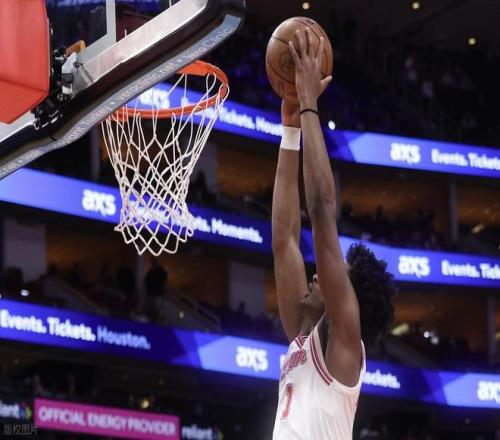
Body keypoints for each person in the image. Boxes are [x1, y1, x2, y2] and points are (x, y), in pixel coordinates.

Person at [271, 28, 396, 439]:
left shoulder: (344, 343)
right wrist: (290, 131)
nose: (319, 274)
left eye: (336, 273)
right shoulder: (302, 337)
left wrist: (310, 104)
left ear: (347, 300)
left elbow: (323, 214)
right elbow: (285, 240)